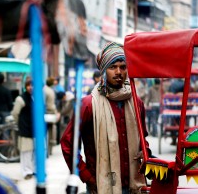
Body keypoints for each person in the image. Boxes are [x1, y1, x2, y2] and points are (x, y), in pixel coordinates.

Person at [60, 42, 151, 194]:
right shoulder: (88, 105)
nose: (118, 72)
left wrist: (145, 154)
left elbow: (143, 140)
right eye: (112, 67)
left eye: (123, 67)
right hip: (101, 186)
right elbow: (68, 144)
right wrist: (87, 176)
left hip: (134, 185)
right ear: (103, 71)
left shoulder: (137, 102)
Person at [11, 80, 34, 180]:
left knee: (33, 151)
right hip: (25, 128)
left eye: (32, 85)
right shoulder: (21, 99)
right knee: (26, 151)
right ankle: (26, 172)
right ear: (26, 87)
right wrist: (20, 123)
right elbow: (15, 113)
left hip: (34, 129)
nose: (31, 87)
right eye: (28, 85)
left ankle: (32, 170)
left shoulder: (35, 97)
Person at [43, 77, 59, 155]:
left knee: (44, 133)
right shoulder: (51, 91)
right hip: (49, 114)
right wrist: (56, 113)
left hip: (43, 114)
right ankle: (48, 151)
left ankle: (45, 150)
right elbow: (51, 105)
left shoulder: (43, 90)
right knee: (50, 133)